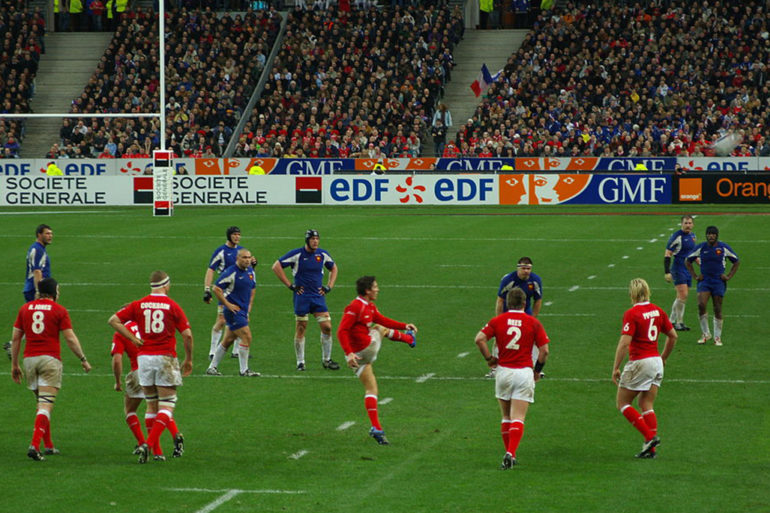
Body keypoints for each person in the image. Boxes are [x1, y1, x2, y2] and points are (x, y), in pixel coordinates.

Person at [108, 270, 193, 463]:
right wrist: (188, 359)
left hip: (143, 360)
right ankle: (149, 443)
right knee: (167, 404)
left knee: (151, 404)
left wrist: (133, 339)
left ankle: (154, 448)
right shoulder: (172, 305)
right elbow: (187, 335)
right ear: (166, 284)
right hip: (165, 357)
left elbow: (113, 320)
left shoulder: (138, 304)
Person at [10, 278, 92, 461]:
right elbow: (70, 338)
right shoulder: (59, 310)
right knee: (45, 404)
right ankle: (34, 445)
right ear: (53, 292)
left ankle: (48, 445)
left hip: (29, 360)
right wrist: (83, 359)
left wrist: (14, 364)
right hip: (50, 360)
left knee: (41, 404)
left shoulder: (25, 309)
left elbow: (16, 338)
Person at [474, 287, 550, 469]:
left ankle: (509, 454)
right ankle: (511, 453)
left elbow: (479, 339)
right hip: (523, 372)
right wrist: (537, 370)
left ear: (508, 303)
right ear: (526, 303)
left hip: (503, 372)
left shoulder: (498, 320)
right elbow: (544, 351)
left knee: (506, 416)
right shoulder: (533, 323)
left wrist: (489, 359)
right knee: (519, 417)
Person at [337, 276, 417, 445]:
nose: (377, 289)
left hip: (358, 358)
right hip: (364, 350)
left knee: (371, 389)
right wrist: (349, 352)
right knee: (379, 329)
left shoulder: (369, 306)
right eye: (375, 287)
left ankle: (376, 427)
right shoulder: (355, 307)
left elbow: (382, 318)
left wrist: (404, 325)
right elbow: (341, 331)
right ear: (367, 290)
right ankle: (409, 340)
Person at [612, 278, 677, 459]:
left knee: (623, 403)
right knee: (646, 404)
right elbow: (673, 336)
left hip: (640, 361)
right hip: (656, 361)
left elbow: (625, 343)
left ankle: (650, 437)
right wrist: (663, 357)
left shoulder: (632, 314)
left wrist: (616, 367)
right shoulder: (658, 310)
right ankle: (651, 450)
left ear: (632, 294)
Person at [111, 318, 184, 458]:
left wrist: (118, 381)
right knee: (163, 406)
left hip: (139, 371)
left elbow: (117, 359)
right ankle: (175, 434)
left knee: (131, 410)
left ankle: (146, 445)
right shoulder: (147, 326)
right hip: (158, 364)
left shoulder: (121, 332)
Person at [271, 230, 340, 371]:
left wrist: (329, 286)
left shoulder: (322, 254)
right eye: (312, 239)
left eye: (317, 239)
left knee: (327, 327)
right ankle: (300, 362)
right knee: (301, 328)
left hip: (318, 297)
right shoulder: (297, 254)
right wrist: (291, 285)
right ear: (307, 240)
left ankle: (327, 360)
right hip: (302, 297)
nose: (315, 241)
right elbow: (276, 266)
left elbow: (334, 268)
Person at [206, 249, 259, 377]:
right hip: (233, 311)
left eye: (249, 257)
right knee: (247, 336)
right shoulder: (231, 272)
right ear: (238, 258)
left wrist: (248, 309)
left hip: (242, 311)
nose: (247, 260)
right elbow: (216, 288)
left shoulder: (250, 271)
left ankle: (212, 367)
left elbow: (252, 289)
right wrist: (227, 304)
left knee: (228, 340)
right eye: (244, 258)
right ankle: (244, 370)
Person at [487, 257, 543, 378]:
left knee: (532, 338)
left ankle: (534, 367)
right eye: (523, 268)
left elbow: (538, 300)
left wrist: (533, 318)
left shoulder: (535, 280)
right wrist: (499, 320)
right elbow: (500, 300)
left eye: (528, 268)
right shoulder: (509, 280)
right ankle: (494, 368)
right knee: (499, 338)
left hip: (525, 311)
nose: (526, 271)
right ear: (518, 268)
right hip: (509, 311)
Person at [685, 226, 740, 346]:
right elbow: (688, 261)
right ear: (706, 235)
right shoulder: (701, 247)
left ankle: (717, 337)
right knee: (701, 304)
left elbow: (736, 261)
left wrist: (729, 276)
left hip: (718, 281)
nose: (711, 236)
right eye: (709, 234)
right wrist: (695, 276)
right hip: (705, 281)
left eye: (713, 234)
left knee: (717, 308)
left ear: (717, 236)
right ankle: (705, 334)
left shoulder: (723, 247)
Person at [203, 226, 252, 360]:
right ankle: (212, 351)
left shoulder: (241, 251)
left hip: (240, 293)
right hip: (225, 292)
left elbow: (248, 270)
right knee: (221, 320)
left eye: (239, 234)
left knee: (240, 319)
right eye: (235, 234)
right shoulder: (221, 251)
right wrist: (207, 289)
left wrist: (254, 263)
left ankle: (236, 350)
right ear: (229, 236)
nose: (237, 237)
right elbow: (210, 269)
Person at [664, 215, 696, 331]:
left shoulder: (693, 236)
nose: (688, 225)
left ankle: (670, 322)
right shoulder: (676, 237)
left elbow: (692, 253)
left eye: (689, 223)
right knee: (683, 295)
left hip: (688, 269)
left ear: (693, 224)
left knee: (681, 296)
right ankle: (679, 323)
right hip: (678, 268)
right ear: (681, 224)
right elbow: (667, 254)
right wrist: (667, 271)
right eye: (686, 223)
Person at [24, 224, 54, 302]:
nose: (50, 236)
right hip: (35, 289)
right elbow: (37, 271)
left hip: (39, 289)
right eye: (47, 233)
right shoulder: (37, 249)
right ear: (39, 235)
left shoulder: (39, 248)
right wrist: (39, 291)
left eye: (51, 234)